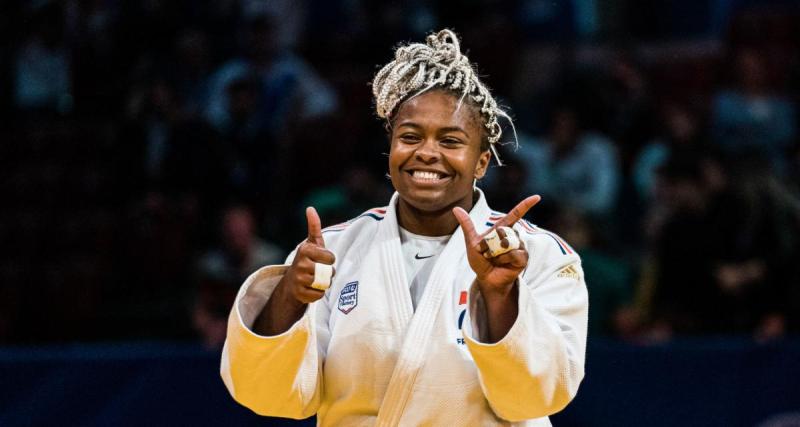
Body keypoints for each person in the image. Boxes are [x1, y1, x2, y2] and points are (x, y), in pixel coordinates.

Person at [220, 30, 588, 426]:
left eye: (450, 140)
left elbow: (537, 398)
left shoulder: (542, 256)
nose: (426, 152)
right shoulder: (330, 252)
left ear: (482, 162)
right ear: (391, 149)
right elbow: (270, 396)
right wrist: (288, 298)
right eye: (410, 137)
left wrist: (501, 296)